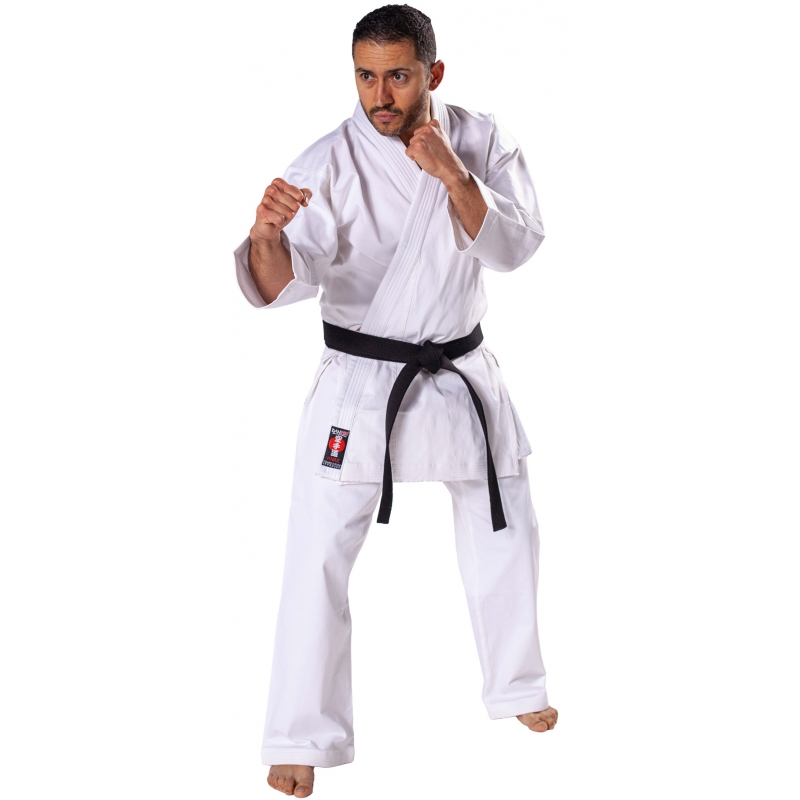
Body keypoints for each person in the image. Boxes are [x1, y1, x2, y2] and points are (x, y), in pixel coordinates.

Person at [234, 5, 559, 796]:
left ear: (433, 74)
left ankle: (518, 683)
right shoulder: (328, 161)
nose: (380, 95)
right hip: (362, 380)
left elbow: (517, 246)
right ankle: (300, 735)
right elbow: (279, 281)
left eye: (399, 76)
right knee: (316, 550)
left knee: (506, 518)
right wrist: (267, 235)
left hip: (458, 368)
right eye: (366, 76)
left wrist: (453, 174)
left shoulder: (482, 141)